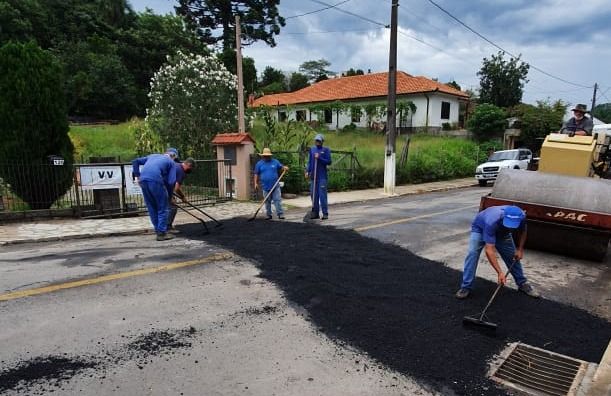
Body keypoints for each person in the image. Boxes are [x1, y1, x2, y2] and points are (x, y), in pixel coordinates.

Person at [455, 205, 540, 299]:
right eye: (509, 224)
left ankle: (522, 283)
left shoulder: (522, 216)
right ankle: (466, 287)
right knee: (472, 254)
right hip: (480, 228)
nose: (511, 228)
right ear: (504, 217)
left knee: (512, 256)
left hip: (503, 233)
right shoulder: (492, 220)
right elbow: (489, 250)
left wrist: (520, 249)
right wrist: (499, 272)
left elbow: (523, 231)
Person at [132, 148, 178, 241]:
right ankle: (161, 233)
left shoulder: (152, 156)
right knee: (163, 208)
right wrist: (169, 196)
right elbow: (171, 181)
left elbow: (135, 161)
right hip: (155, 180)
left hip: (143, 181)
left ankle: (158, 231)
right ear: (174, 156)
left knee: (152, 207)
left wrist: (137, 176)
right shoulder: (171, 162)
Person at [253, 148, 289, 220]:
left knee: (277, 200)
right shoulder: (259, 164)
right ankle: (268, 215)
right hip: (265, 186)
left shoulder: (275, 162)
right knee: (267, 201)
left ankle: (280, 214)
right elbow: (256, 174)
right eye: (265, 156)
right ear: (263, 156)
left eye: (268, 156)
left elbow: (281, 167)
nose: (267, 157)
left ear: (270, 156)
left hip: (275, 186)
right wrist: (255, 183)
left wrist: (285, 168)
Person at [305, 134, 332, 220]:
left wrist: (319, 157)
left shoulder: (326, 150)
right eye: (316, 140)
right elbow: (310, 162)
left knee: (322, 195)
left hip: (322, 177)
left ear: (322, 141)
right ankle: (315, 213)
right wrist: (307, 171)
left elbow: (329, 162)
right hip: (313, 176)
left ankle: (325, 213)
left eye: (319, 141)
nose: (317, 142)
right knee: (314, 195)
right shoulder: (312, 149)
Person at [167, 158, 196, 231]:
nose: (190, 170)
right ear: (188, 165)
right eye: (191, 168)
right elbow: (176, 189)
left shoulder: (177, 165)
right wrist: (182, 197)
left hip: (161, 185)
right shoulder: (181, 171)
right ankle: (168, 227)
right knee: (173, 207)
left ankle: (160, 227)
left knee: (164, 208)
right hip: (165, 188)